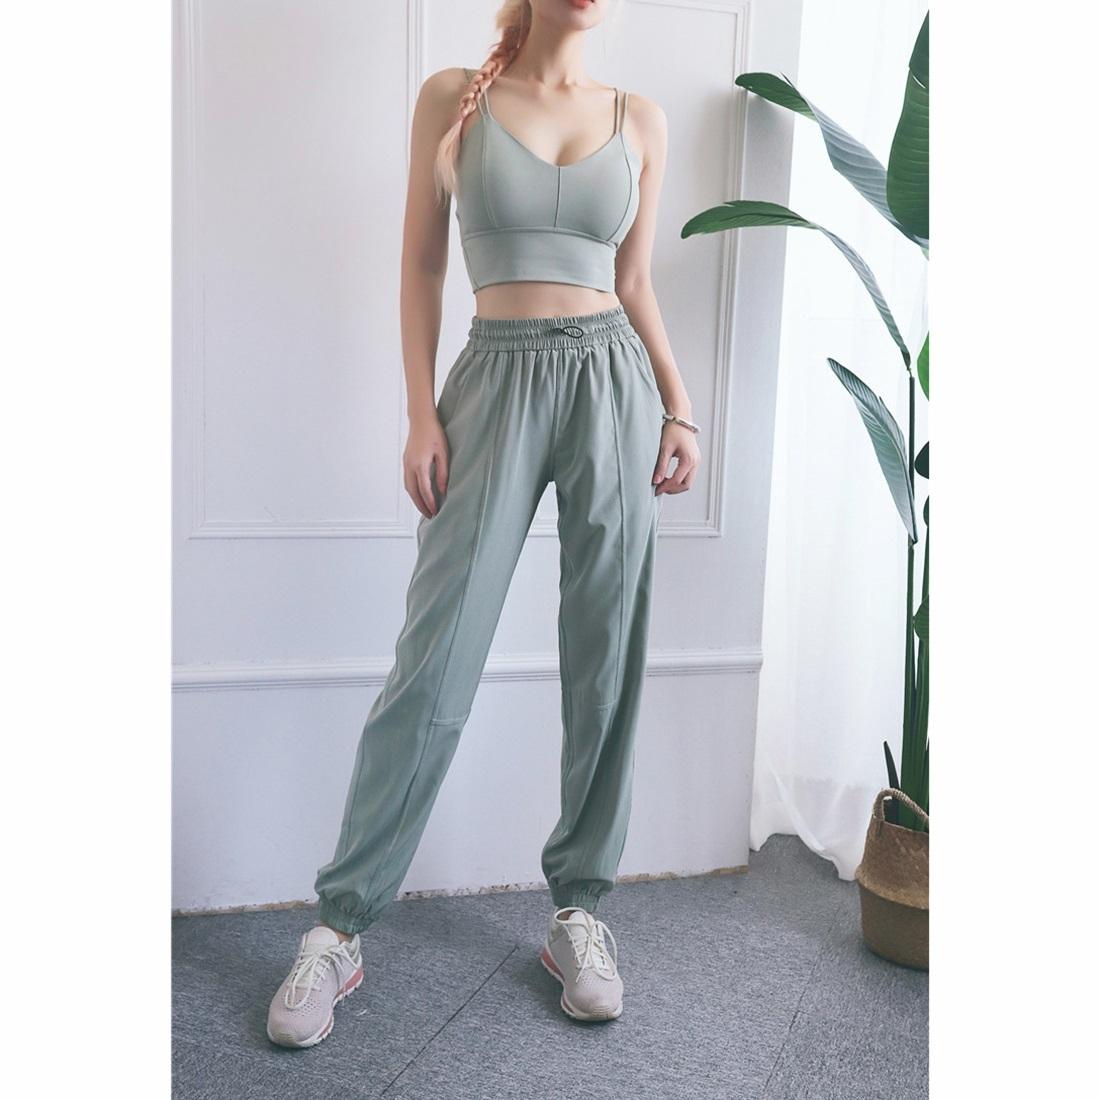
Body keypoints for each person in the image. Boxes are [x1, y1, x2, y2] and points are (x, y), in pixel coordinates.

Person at [266, 0, 700, 1048]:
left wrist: (678, 405)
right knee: (435, 661)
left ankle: (579, 909)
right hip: (492, 382)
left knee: (606, 652)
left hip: (611, 382)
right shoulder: (451, 99)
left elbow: (633, 279)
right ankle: (339, 924)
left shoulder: (639, 117)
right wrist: (421, 412)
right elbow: (420, 265)